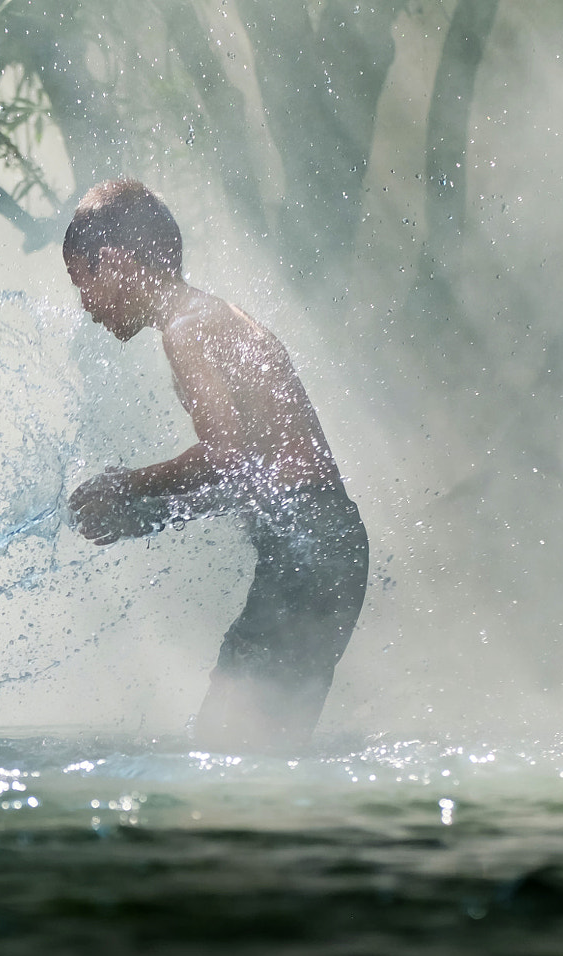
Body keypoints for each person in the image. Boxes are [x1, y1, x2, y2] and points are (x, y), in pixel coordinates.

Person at [63, 179, 367, 753]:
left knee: (228, 748)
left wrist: (121, 484)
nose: (85, 305)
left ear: (118, 261)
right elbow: (249, 472)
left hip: (306, 548)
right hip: (332, 542)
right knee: (269, 747)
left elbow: (225, 456)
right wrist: (146, 518)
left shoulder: (185, 329)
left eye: (84, 282)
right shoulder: (216, 314)